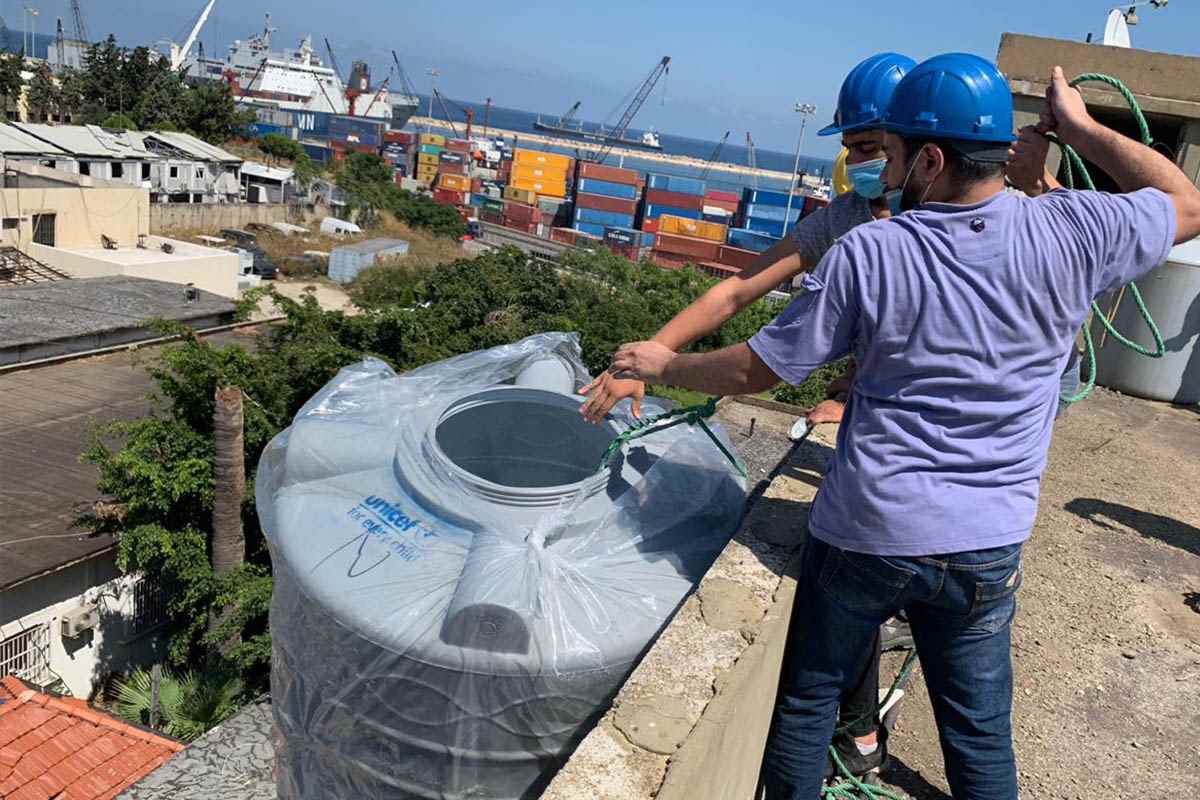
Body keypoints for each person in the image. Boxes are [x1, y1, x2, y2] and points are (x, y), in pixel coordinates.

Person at [603, 54, 1200, 799]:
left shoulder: (873, 252)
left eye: (890, 154)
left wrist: (662, 366)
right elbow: (1185, 199)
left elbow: (756, 371)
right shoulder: (1076, 230)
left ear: (929, 158)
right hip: (988, 539)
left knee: (809, 702)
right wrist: (1081, 128)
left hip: (869, 531)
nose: (883, 170)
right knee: (979, 731)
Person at [579, 52, 917, 782]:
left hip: (926, 461)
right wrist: (653, 353)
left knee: (847, 608)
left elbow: (770, 362)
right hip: (890, 454)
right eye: (851, 149)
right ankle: (860, 734)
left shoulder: (953, 221)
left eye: (868, 149)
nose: (857, 163)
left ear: (919, 145)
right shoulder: (849, 218)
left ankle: (856, 733)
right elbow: (737, 289)